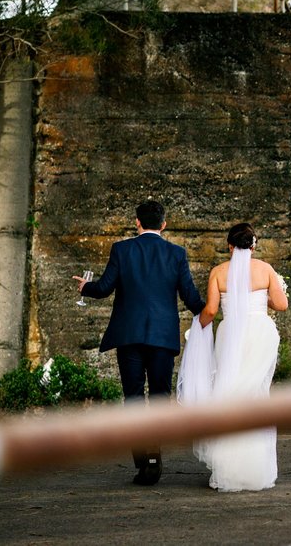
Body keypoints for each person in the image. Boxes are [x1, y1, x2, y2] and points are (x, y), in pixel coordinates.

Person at [72, 200, 205, 486]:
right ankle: (154, 455)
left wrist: (86, 287)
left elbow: (104, 287)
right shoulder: (176, 253)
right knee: (159, 396)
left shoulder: (122, 249)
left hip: (129, 336)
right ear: (164, 224)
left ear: (137, 223)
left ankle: (142, 462)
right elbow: (190, 297)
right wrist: (211, 310)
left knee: (132, 396)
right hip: (162, 337)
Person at [190, 222, 287, 492]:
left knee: (230, 395)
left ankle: (229, 470)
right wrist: (263, 299)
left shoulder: (219, 272)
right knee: (257, 396)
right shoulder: (266, 269)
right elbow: (282, 304)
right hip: (261, 333)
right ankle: (257, 470)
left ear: (229, 246)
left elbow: (210, 310)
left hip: (231, 333)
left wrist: (197, 326)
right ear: (253, 245)